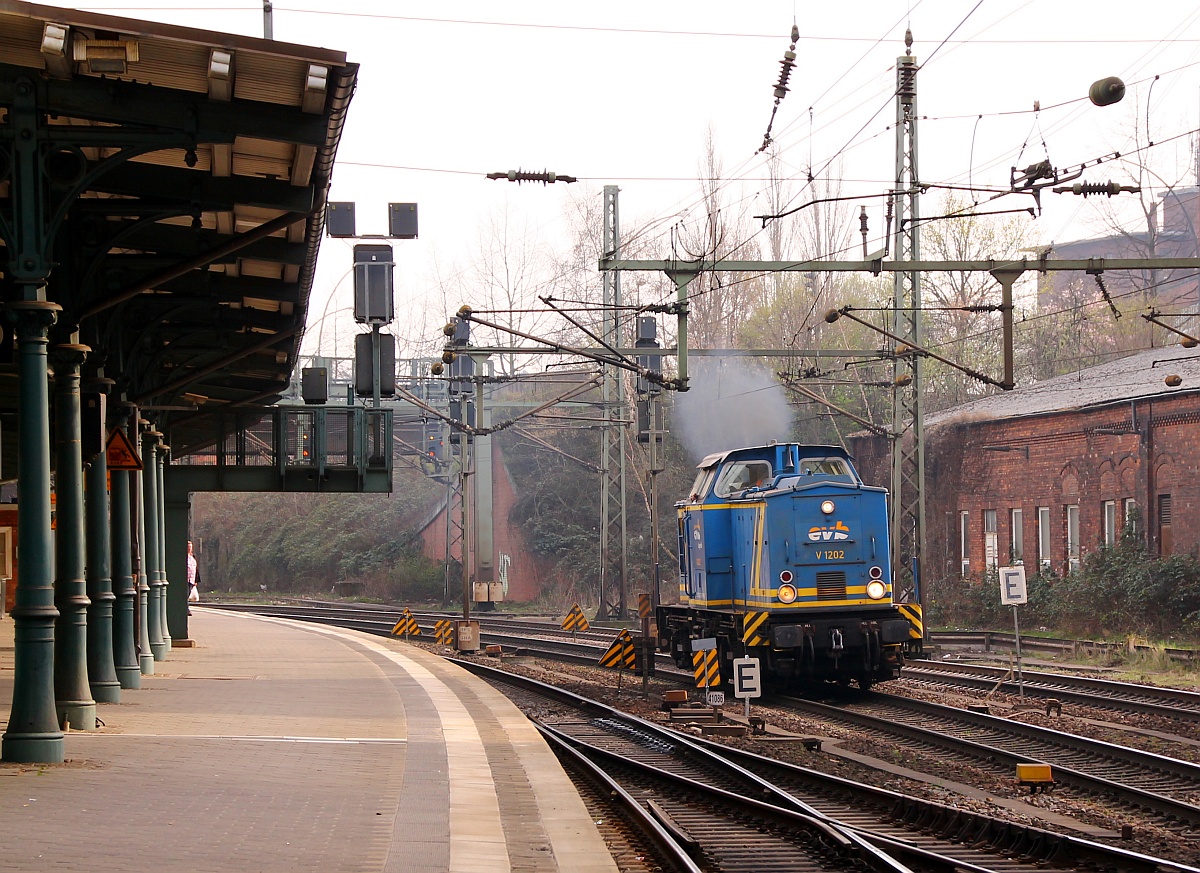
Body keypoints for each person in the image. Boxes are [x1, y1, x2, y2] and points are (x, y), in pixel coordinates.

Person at [187, 540, 199, 613]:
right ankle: (186, 609)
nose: (189, 548)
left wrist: (196, 580)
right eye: (188, 547)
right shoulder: (184, 557)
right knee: (185, 595)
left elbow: (196, 569)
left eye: (190, 547)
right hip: (186, 579)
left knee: (188, 595)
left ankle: (186, 608)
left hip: (191, 579)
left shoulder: (193, 557)